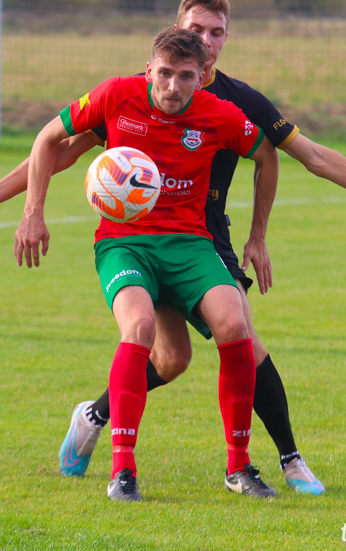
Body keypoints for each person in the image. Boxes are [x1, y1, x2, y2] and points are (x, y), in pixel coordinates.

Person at [0, 0, 346, 498]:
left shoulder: (236, 103)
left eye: (215, 32)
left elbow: (309, 156)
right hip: (134, 237)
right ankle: (102, 424)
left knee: (240, 334)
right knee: (171, 358)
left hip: (203, 238)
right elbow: (61, 149)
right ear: (174, 31)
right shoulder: (134, 92)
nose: (203, 40)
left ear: (222, 43)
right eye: (195, 29)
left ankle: (281, 461)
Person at [15, 26, 281, 502]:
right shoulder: (116, 96)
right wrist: (32, 213)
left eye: (185, 76)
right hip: (125, 243)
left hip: (189, 245)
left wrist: (257, 235)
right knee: (138, 328)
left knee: (234, 325)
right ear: (148, 69)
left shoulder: (220, 114)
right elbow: (48, 137)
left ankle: (238, 466)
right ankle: (124, 471)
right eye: (164, 74)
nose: (173, 86)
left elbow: (266, 155)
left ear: (203, 76)